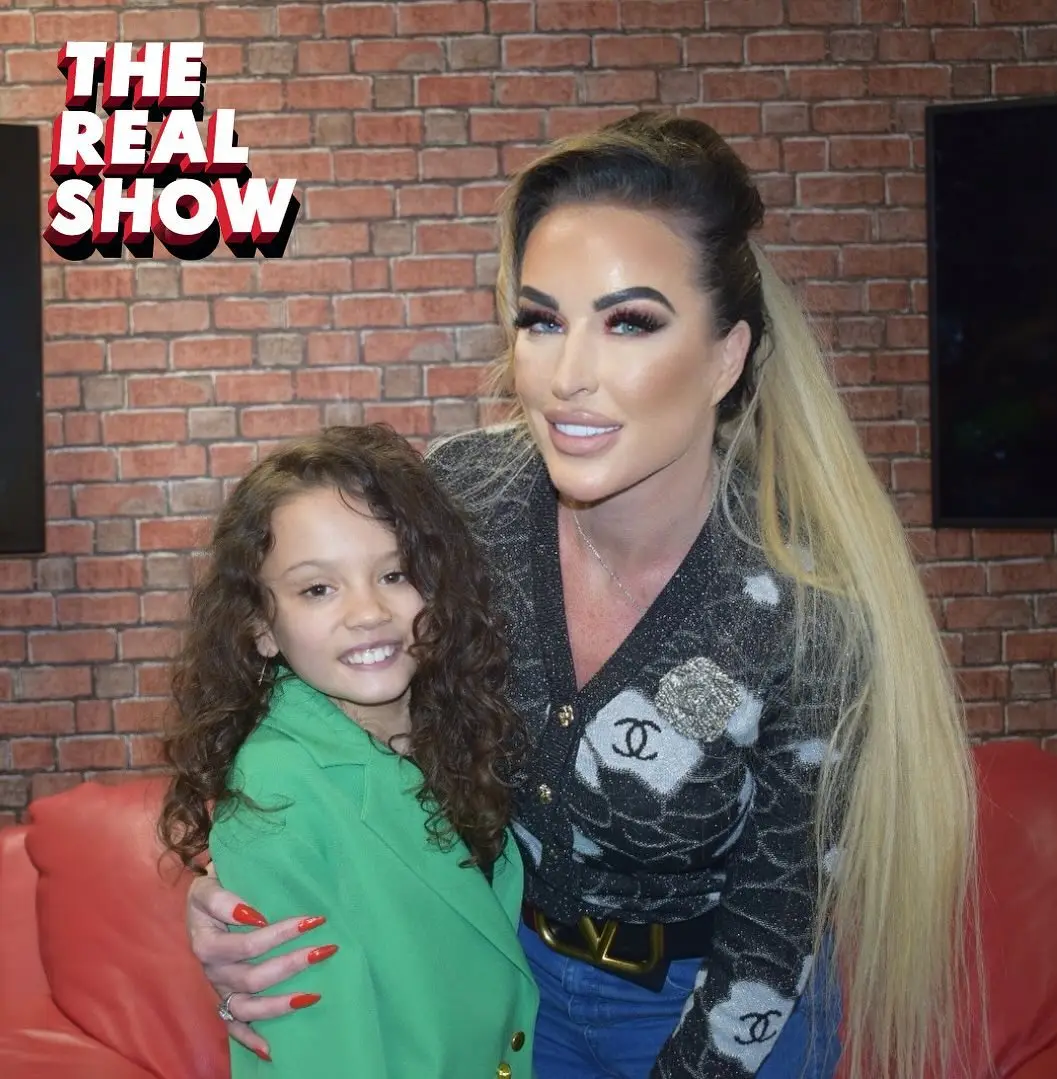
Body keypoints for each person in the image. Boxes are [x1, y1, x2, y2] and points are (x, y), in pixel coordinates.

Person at [184, 112, 979, 1079]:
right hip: (501, 974)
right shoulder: (461, 500)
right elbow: (317, 675)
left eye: (629, 322)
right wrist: (242, 881)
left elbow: (777, 922)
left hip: (725, 1010)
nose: (567, 377)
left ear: (724, 357)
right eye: (542, 321)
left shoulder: (802, 605)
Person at [158, 424, 539, 1078]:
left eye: (394, 573)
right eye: (317, 589)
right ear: (260, 626)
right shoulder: (276, 791)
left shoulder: (453, 728)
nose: (367, 612)